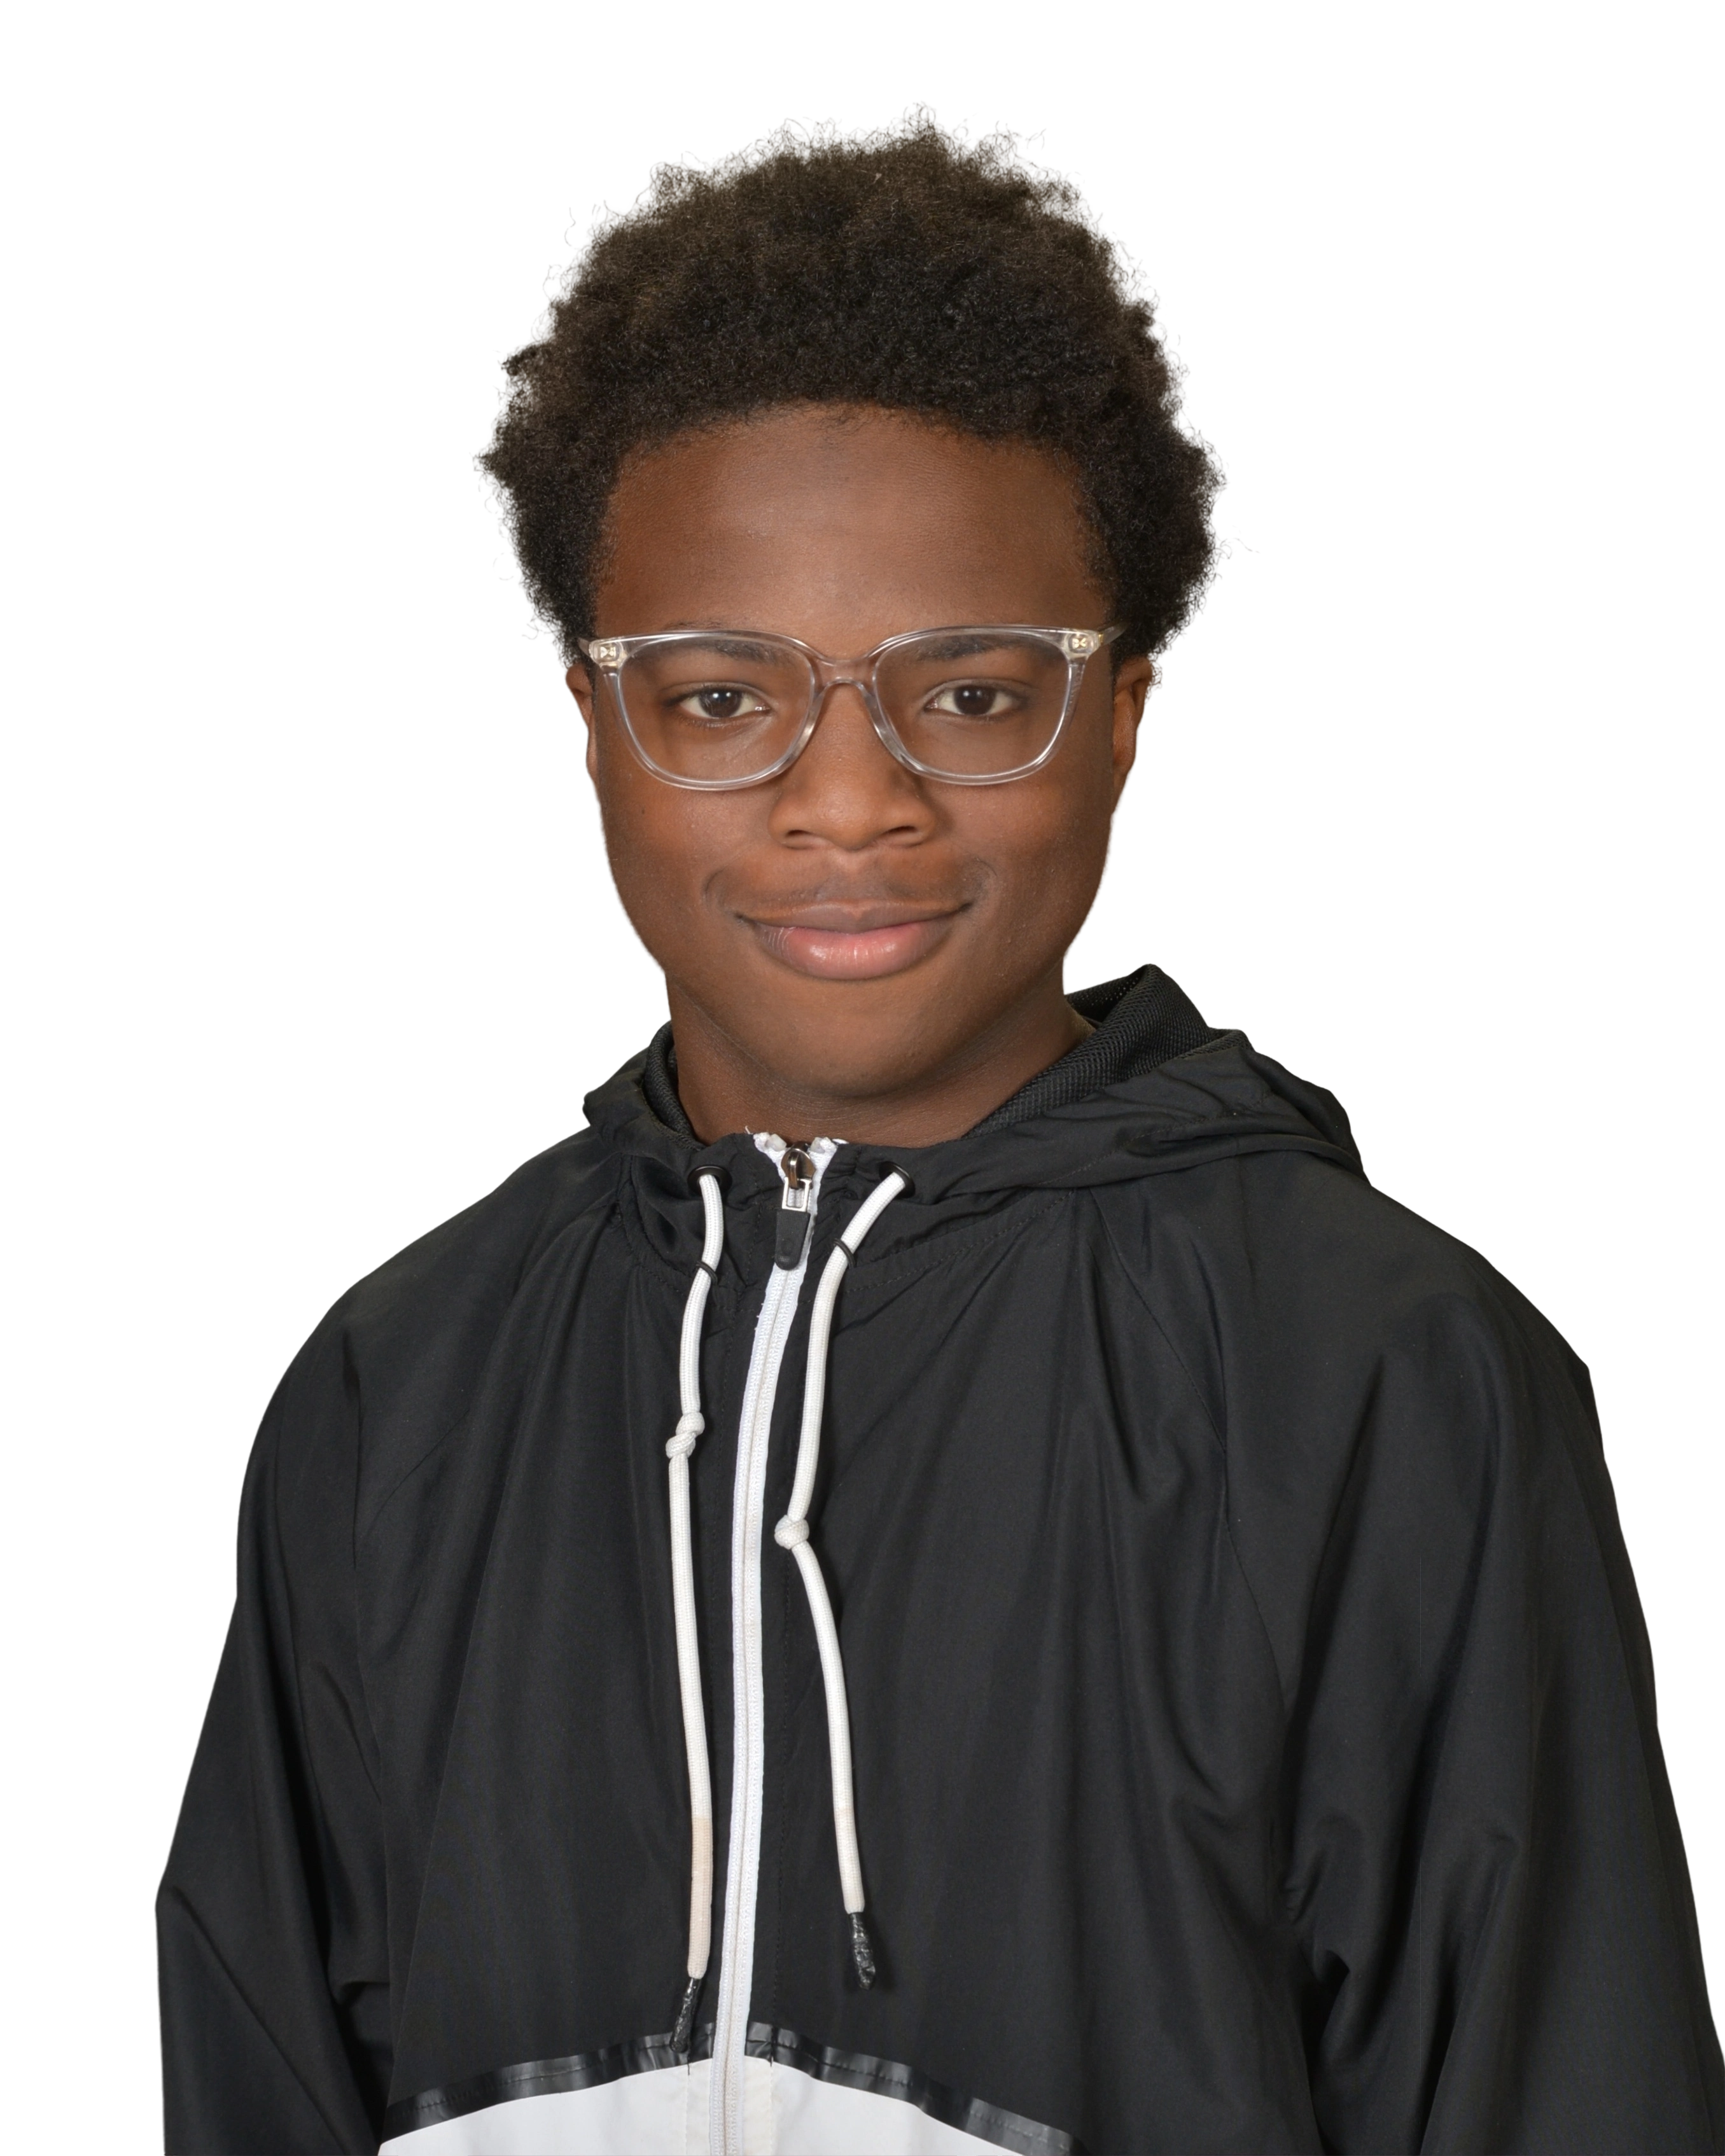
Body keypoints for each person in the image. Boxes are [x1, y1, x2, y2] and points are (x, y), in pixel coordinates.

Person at [154, 105, 1723, 2155]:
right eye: (720, 697)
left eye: (971, 693)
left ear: (1125, 708)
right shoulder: (394, 1389)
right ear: (592, 725)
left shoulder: (1387, 1375)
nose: (847, 801)